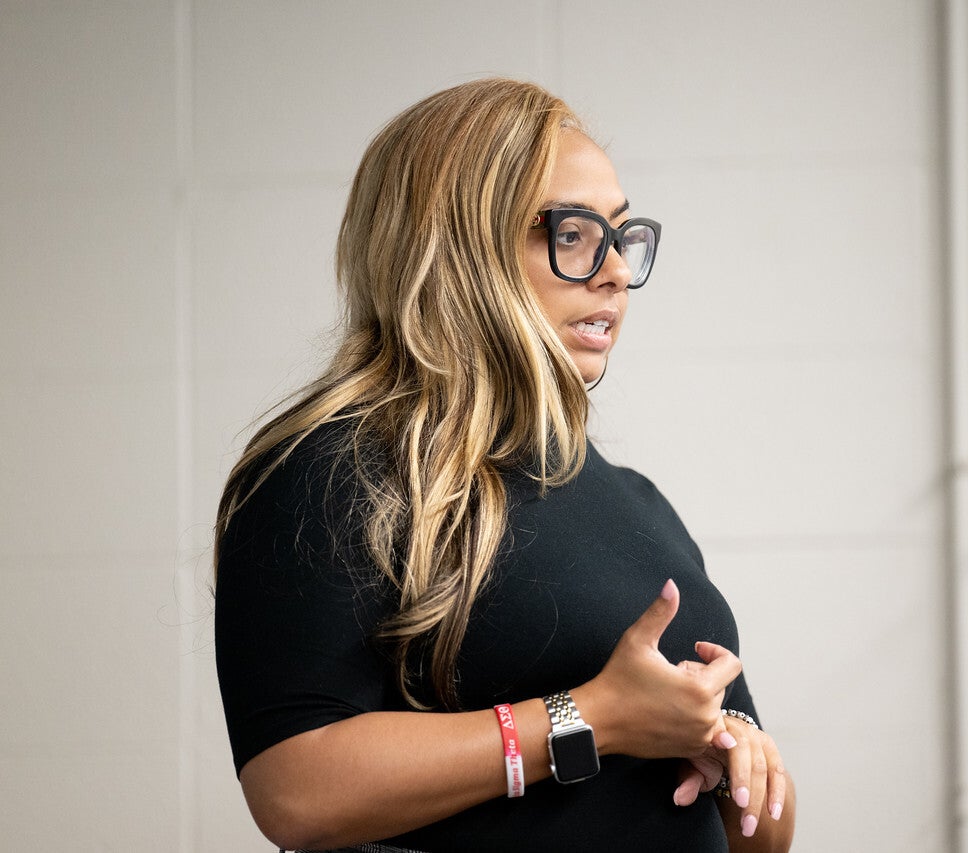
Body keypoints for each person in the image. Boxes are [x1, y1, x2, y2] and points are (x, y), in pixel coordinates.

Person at [214, 77, 795, 853]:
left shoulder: (640, 505)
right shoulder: (329, 473)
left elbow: (762, 838)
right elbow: (295, 790)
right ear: (457, 245)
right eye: (573, 232)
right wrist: (592, 717)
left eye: (621, 236)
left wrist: (739, 764)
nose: (616, 270)